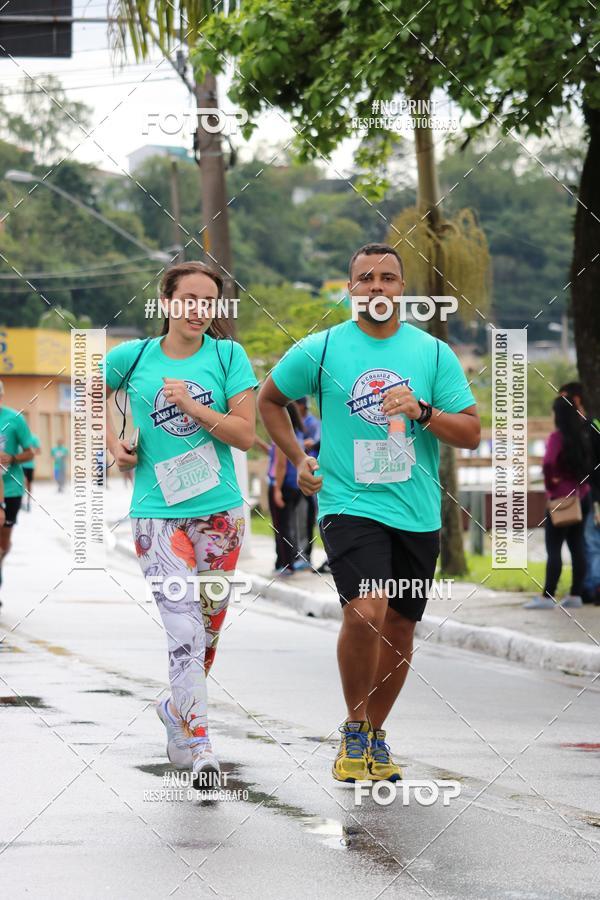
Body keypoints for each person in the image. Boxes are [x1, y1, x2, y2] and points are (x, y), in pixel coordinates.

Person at [258, 242, 480, 783]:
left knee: (401, 627)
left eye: (387, 278)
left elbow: (471, 433)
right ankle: (353, 728)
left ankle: (375, 738)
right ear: (350, 288)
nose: (376, 287)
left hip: (417, 509)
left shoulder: (431, 354)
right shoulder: (323, 349)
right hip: (348, 503)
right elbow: (269, 400)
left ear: (402, 289)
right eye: (365, 279)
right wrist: (297, 457)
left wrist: (423, 411)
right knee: (367, 609)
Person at [103, 261, 257, 787]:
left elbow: (244, 435)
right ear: (166, 302)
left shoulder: (228, 356)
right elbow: (93, 393)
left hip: (220, 515)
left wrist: (193, 406)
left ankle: (175, 709)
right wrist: (113, 445)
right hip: (157, 514)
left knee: (208, 629)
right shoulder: (134, 358)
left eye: (208, 301)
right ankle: (200, 744)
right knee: (183, 628)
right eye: (188, 298)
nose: (198, 309)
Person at [525, 393, 595, 609]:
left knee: (554, 548)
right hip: (582, 496)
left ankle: (548, 596)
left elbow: (547, 465)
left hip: (560, 500)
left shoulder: (557, 438)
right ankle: (576, 595)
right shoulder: (584, 436)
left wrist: (552, 485)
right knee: (577, 546)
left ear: (559, 415)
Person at [558, 382, 600, 605]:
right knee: (585, 541)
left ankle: (593, 587)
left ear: (576, 400)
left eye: (563, 399)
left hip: (592, 491)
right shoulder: (576, 429)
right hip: (584, 491)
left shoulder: (589, 428)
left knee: (591, 540)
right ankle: (587, 587)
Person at [0, 380, 34, 602]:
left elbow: (30, 452)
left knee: (2, 544)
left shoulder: (14, 419)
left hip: (10, 489)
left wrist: (12, 457)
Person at [267, 401, 304, 576]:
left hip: (282, 486)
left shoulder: (283, 435)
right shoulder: (298, 434)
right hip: (294, 486)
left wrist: (276, 489)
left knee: (281, 527)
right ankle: (286, 561)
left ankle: (286, 564)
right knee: (290, 525)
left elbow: (280, 464)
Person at [294, 397, 321, 571]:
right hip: (298, 478)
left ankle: (308, 557)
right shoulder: (295, 423)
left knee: (314, 519)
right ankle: (300, 556)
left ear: (301, 406)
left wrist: (306, 444)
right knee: (300, 520)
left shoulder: (313, 423)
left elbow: (317, 440)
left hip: (315, 477)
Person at [21, 433, 40, 511]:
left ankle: (28, 502)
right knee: (22, 483)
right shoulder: (19, 437)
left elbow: (38, 451)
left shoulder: (34, 438)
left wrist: (31, 452)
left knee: (29, 484)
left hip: (30, 465)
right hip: (20, 465)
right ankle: (21, 501)